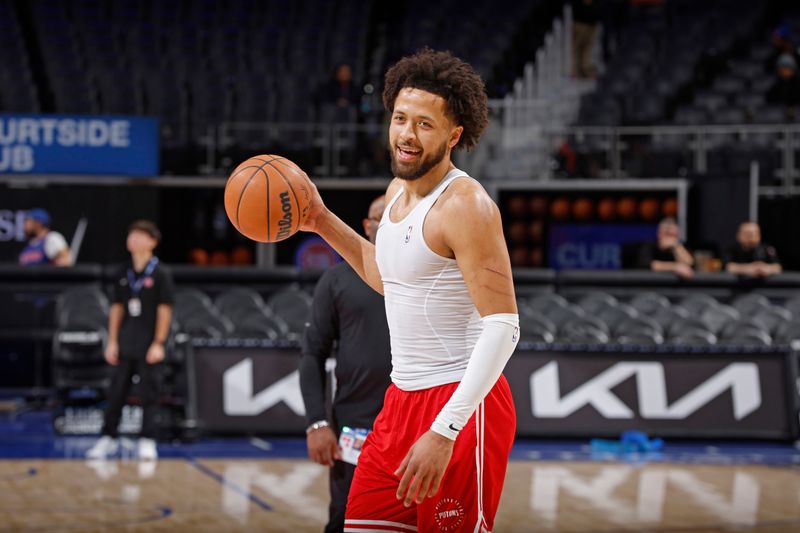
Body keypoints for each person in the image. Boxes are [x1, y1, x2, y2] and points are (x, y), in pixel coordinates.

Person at [297, 49, 520, 532]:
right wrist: (320, 220)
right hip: (399, 402)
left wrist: (445, 431)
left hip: (462, 406)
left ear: (454, 135)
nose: (406, 134)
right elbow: (387, 279)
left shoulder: (467, 205)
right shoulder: (398, 190)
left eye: (424, 124)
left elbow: (504, 327)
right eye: (400, 119)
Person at [300, 195, 392, 533]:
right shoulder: (337, 280)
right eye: (381, 216)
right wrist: (316, 423)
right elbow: (312, 354)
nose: (388, 222)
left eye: (398, 214)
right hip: (355, 427)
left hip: (415, 427)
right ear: (367, 227)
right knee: (347, 520)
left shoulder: (424, 278)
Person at [86, 220, 174, 461]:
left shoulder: (161, 273)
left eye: (139, 235)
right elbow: (117, 309)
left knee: (150, 393)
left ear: (152, 242)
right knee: (116, 392)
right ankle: (108, 437)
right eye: (131, 235)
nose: (132, 239)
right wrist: (112, 341)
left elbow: (164, 310)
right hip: (126, 341)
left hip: (149, 342)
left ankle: (147, 439)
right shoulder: (122, 272)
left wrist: (159, 342)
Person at [571, 0, 600, 79]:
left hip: (590, 23)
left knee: (586, 48)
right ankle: (576, 71)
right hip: (580, 23)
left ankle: (583, 70)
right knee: (577, 48)